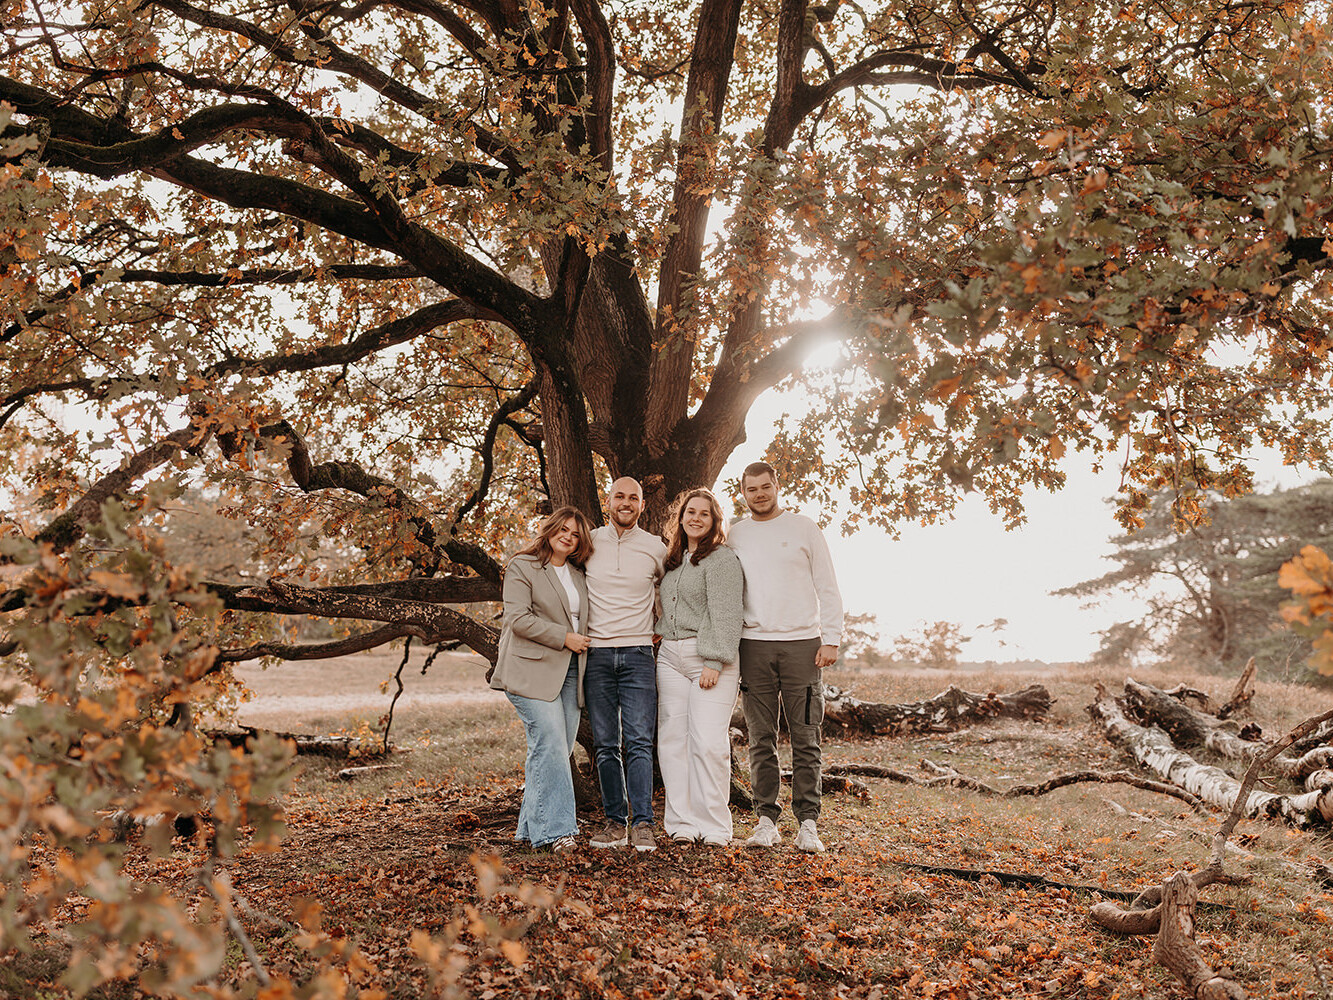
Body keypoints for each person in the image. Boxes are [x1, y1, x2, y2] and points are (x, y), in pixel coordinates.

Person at [728, 461, 843, 853]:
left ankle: (808, 823)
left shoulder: (804, 528)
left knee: (806, 737)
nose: (759, 494)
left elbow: (827, 584)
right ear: (742, 492)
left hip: (803, 646)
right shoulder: (735, 534)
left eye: (765, 486)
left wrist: (832, 638)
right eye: (751, 489)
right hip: (753, 645)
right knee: (761, 738)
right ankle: (765, 820)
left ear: (777, 486)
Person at [489, 506, 594, 854]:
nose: (567, 536)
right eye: (562, 529)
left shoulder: (580, 575)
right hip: (529, 671)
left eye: (575, 533)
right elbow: (518, 618)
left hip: (569, 675)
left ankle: (528, 830)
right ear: (549, 529)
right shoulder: (523, 566)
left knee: (553, 750)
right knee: (549, 742)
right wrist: (565, 637)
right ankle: (558, 832)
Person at [655, 488, 745, 846]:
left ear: (714, 521)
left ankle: (715, 826)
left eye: (704, 514)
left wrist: (715, 660)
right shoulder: (674, 560)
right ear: (681, 518)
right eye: (690, 512)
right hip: (670, 659)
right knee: (673, 742)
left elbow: (726, 613)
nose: (695, 518)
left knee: (708, 742)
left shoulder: (721, 559)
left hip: (708, 659)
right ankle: (681, 823)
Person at [584, 477, 668, 852]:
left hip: (637, 655)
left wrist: (662, 626)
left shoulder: (655, 548)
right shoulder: (589, 541)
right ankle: (615, 822)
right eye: (620, 496)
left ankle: (644, 824)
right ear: (609, 500)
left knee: (638, 741)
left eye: (633, 498)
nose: (626, 502)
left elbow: (671, 589)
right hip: (597, 655)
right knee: (605, 744)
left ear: (642, 504)